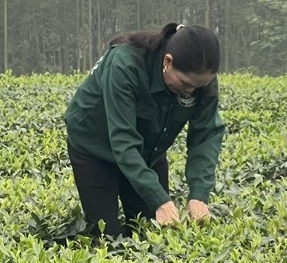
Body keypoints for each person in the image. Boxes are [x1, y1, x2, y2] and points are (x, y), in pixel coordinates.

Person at [64, 22, 226, 237]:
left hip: (148, 150)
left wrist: (199, 195)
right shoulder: (126, 63)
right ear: (168, 62)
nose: (190, 91)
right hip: (94, 146)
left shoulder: (200, 81)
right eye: (185, 83)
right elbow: (123, 140)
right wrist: (159, 199)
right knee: (106, 235)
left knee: (151, 232)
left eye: (198, 86)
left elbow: (206, 135)